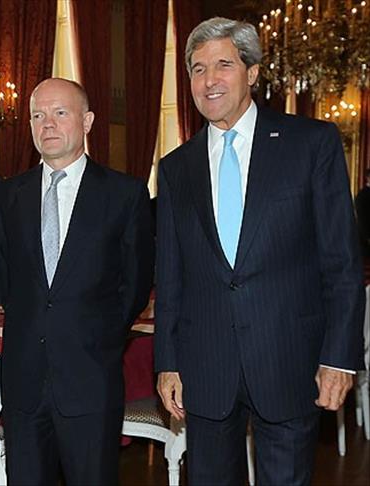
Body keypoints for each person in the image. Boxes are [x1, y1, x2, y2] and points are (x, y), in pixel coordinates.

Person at [154, 17, 365, 485]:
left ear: (251, 72)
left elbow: (341, 264)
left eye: (223, 65)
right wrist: (167, 361)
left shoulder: (311, 144)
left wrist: (338, 357)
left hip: (289, 359)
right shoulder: (175, 168)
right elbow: (170, 276)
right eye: (198, 69)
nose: (209, 80)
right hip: (205, 368)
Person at [0, 78, 154, 485]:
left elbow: (135, 283)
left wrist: (98, 334)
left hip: (91, 376)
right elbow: (1, 277)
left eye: (60, 113)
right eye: (38, 115)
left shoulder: (125, 194)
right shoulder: (7, 196)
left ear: (87, 121)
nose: (48, 124)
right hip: (24, 381)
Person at [355, 169, 370, 259]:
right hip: (366, 239)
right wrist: (367, 236)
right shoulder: (362, 195)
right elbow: (362, 218)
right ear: (368, 178)